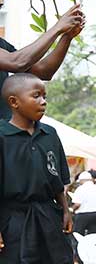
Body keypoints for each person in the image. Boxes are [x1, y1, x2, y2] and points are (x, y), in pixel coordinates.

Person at [0, 73, 74, 263]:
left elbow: (58, 180)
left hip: (49, 216)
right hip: (13, 221)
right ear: (14, 102)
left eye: (45, 96)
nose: (43, 102)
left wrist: (65, 210)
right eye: (36, 96)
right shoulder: (2, 136)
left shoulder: (49, 134)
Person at [0, 0, 84, 120]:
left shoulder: (2, 44)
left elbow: (43, 71)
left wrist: (67, 36)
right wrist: (58, 28)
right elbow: (17, 62)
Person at [71, 171, 96, 236]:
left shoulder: (80, 189)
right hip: (95, 214)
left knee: (77, 235)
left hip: (82, 215)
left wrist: (71, 209)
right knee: (92, 235)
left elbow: (77, 204)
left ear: (82, 180)